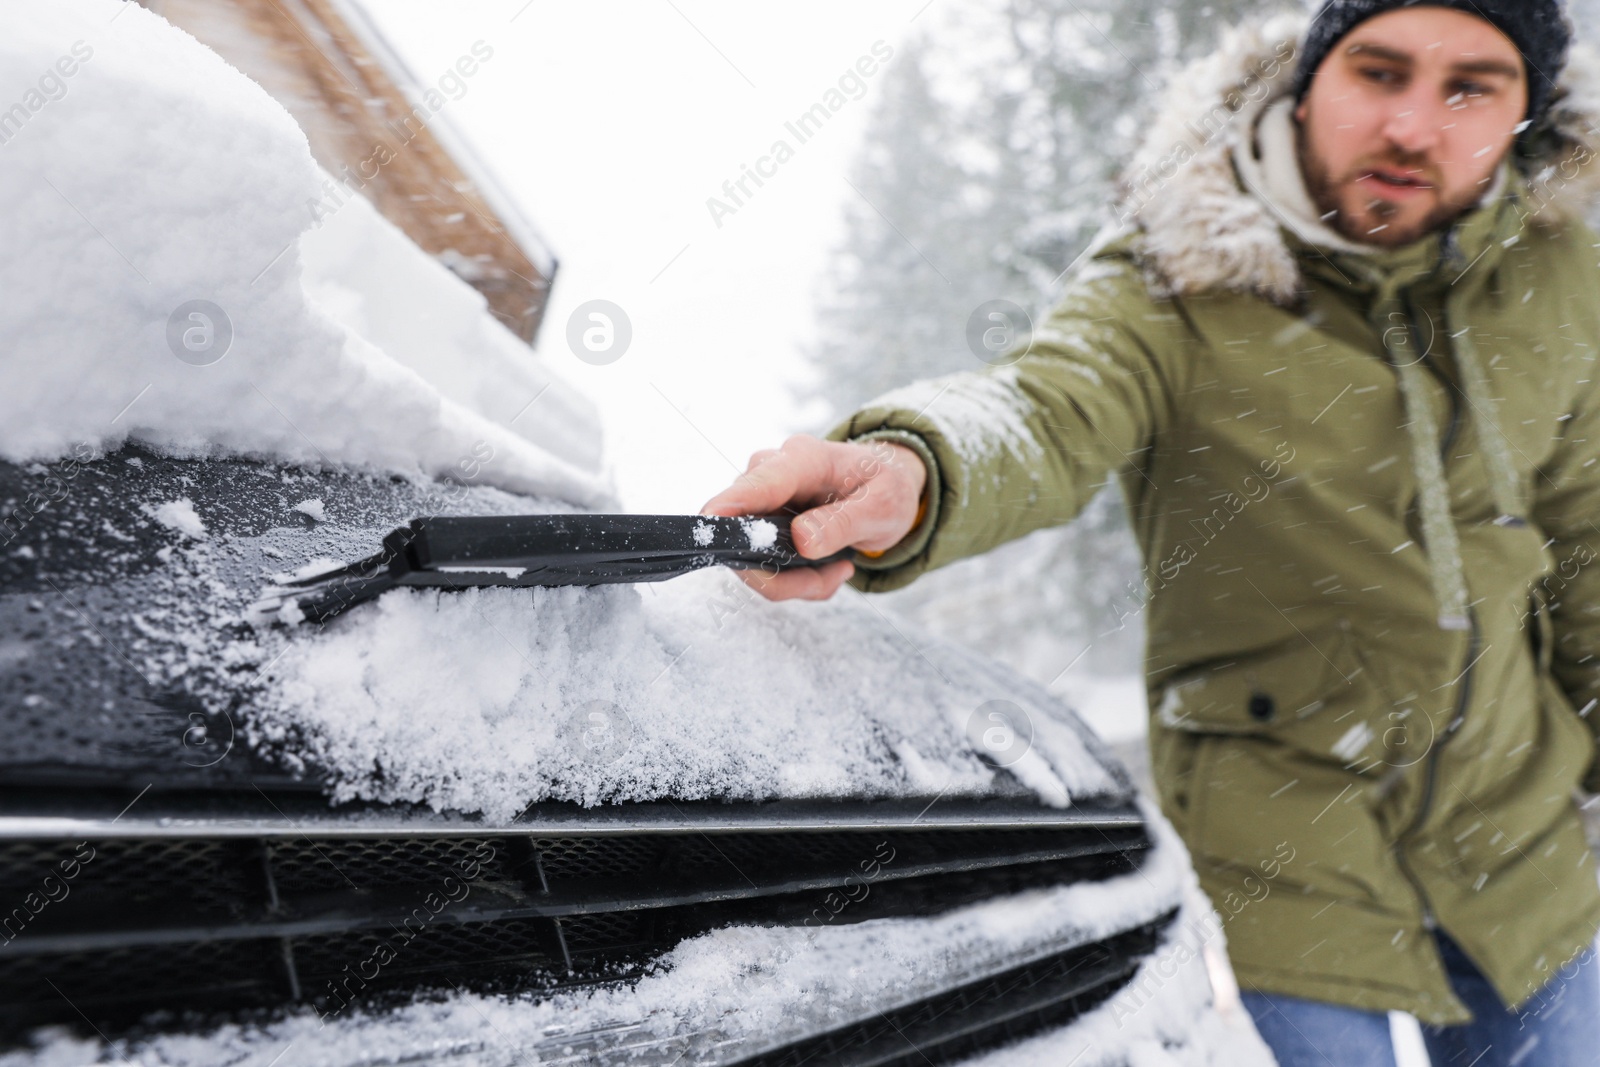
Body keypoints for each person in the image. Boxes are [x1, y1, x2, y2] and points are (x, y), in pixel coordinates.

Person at [703, 2, 1600, 1063]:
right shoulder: (1176, 267)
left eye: (1468, 87)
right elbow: (1042, 409)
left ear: (1526, 113)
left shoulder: (1558, 276)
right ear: (1309, 80)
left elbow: (1584, 535)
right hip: (1280, 847)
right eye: (1379, 70)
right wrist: (916, 464)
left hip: (1522, 845)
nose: (1412, 123)